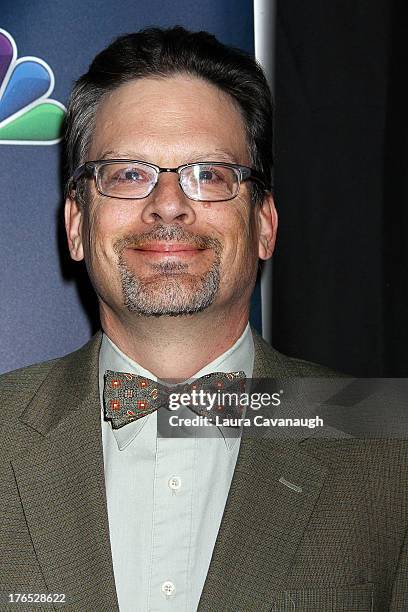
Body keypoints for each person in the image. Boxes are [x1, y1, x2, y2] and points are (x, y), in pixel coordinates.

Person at [0, 26, 406, 612]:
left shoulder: (388, 441)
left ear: (265, 223)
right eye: (129, 173)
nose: (169, 203)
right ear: (76, 226)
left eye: (210, 174)